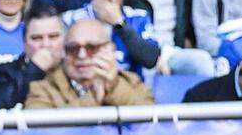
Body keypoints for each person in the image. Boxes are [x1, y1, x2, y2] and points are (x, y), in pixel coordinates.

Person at [26, 14, 154, 106]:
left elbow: (150, 125)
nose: (82, 55)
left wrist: (113, 88)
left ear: (111, 50)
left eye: (92, 48)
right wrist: (94, 97)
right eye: (73, 48)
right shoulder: (42, 89)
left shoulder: (132, 82)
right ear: (64, 52)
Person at [0, 2, 64, 106]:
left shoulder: (76, 68)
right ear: (24, 43)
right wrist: (34, 69)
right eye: (37, 38)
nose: (46, 44)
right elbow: (0, 105)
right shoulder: (4, 72)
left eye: (53, 37)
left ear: (65, 39)